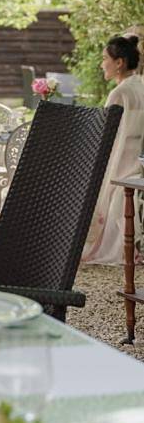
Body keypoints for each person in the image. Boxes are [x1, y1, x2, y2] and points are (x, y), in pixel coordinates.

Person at [82, 35, 144, 265]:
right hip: (137, 161)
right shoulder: (140, 85)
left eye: (105, 58)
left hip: (119, 164)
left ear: (119, 63)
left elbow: (103, 134)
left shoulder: (119, 93)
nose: (101, 64)